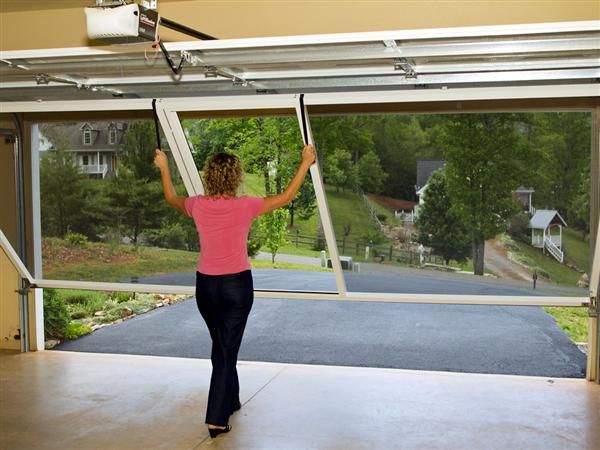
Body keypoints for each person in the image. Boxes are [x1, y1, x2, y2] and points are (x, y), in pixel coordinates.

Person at [154, 144, 316, 438]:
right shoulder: (247, 205)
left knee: (223, 345)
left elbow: (169, 197)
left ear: (209, 178)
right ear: (236, 178)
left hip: (206, 287)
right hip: (236, 287)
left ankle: (231, 399)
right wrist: (305, 162)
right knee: (226, 349)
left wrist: (165, 167)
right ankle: (216, 418)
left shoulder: (196, 205)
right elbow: (287, 196)